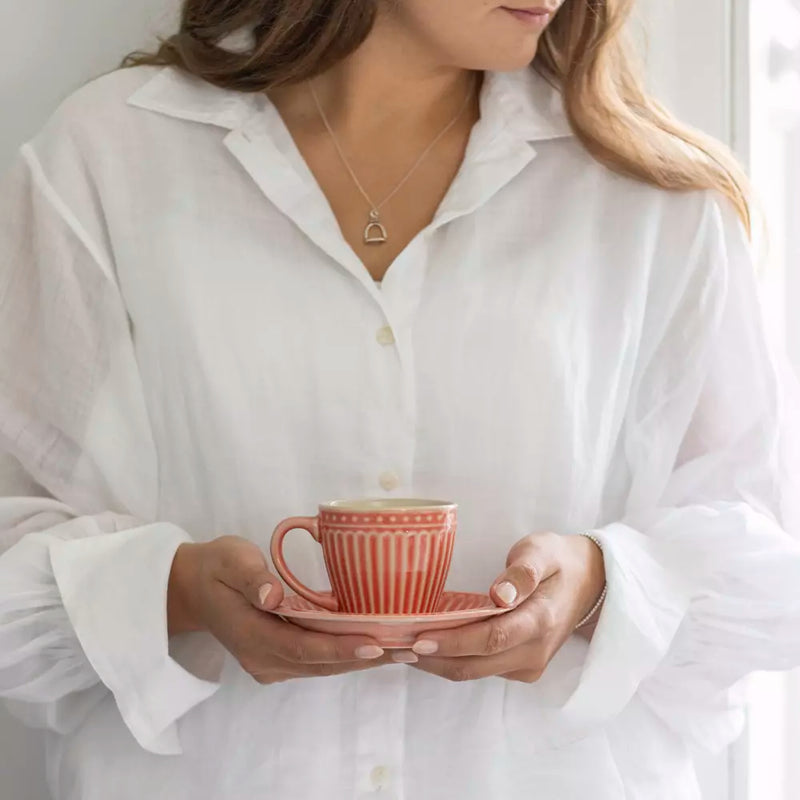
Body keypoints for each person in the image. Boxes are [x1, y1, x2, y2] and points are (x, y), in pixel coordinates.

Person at [2, 0, 800, 797]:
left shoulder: (652, 196)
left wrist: (597, 587)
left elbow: (753, 562)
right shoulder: (112, 158)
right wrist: (177, 591)